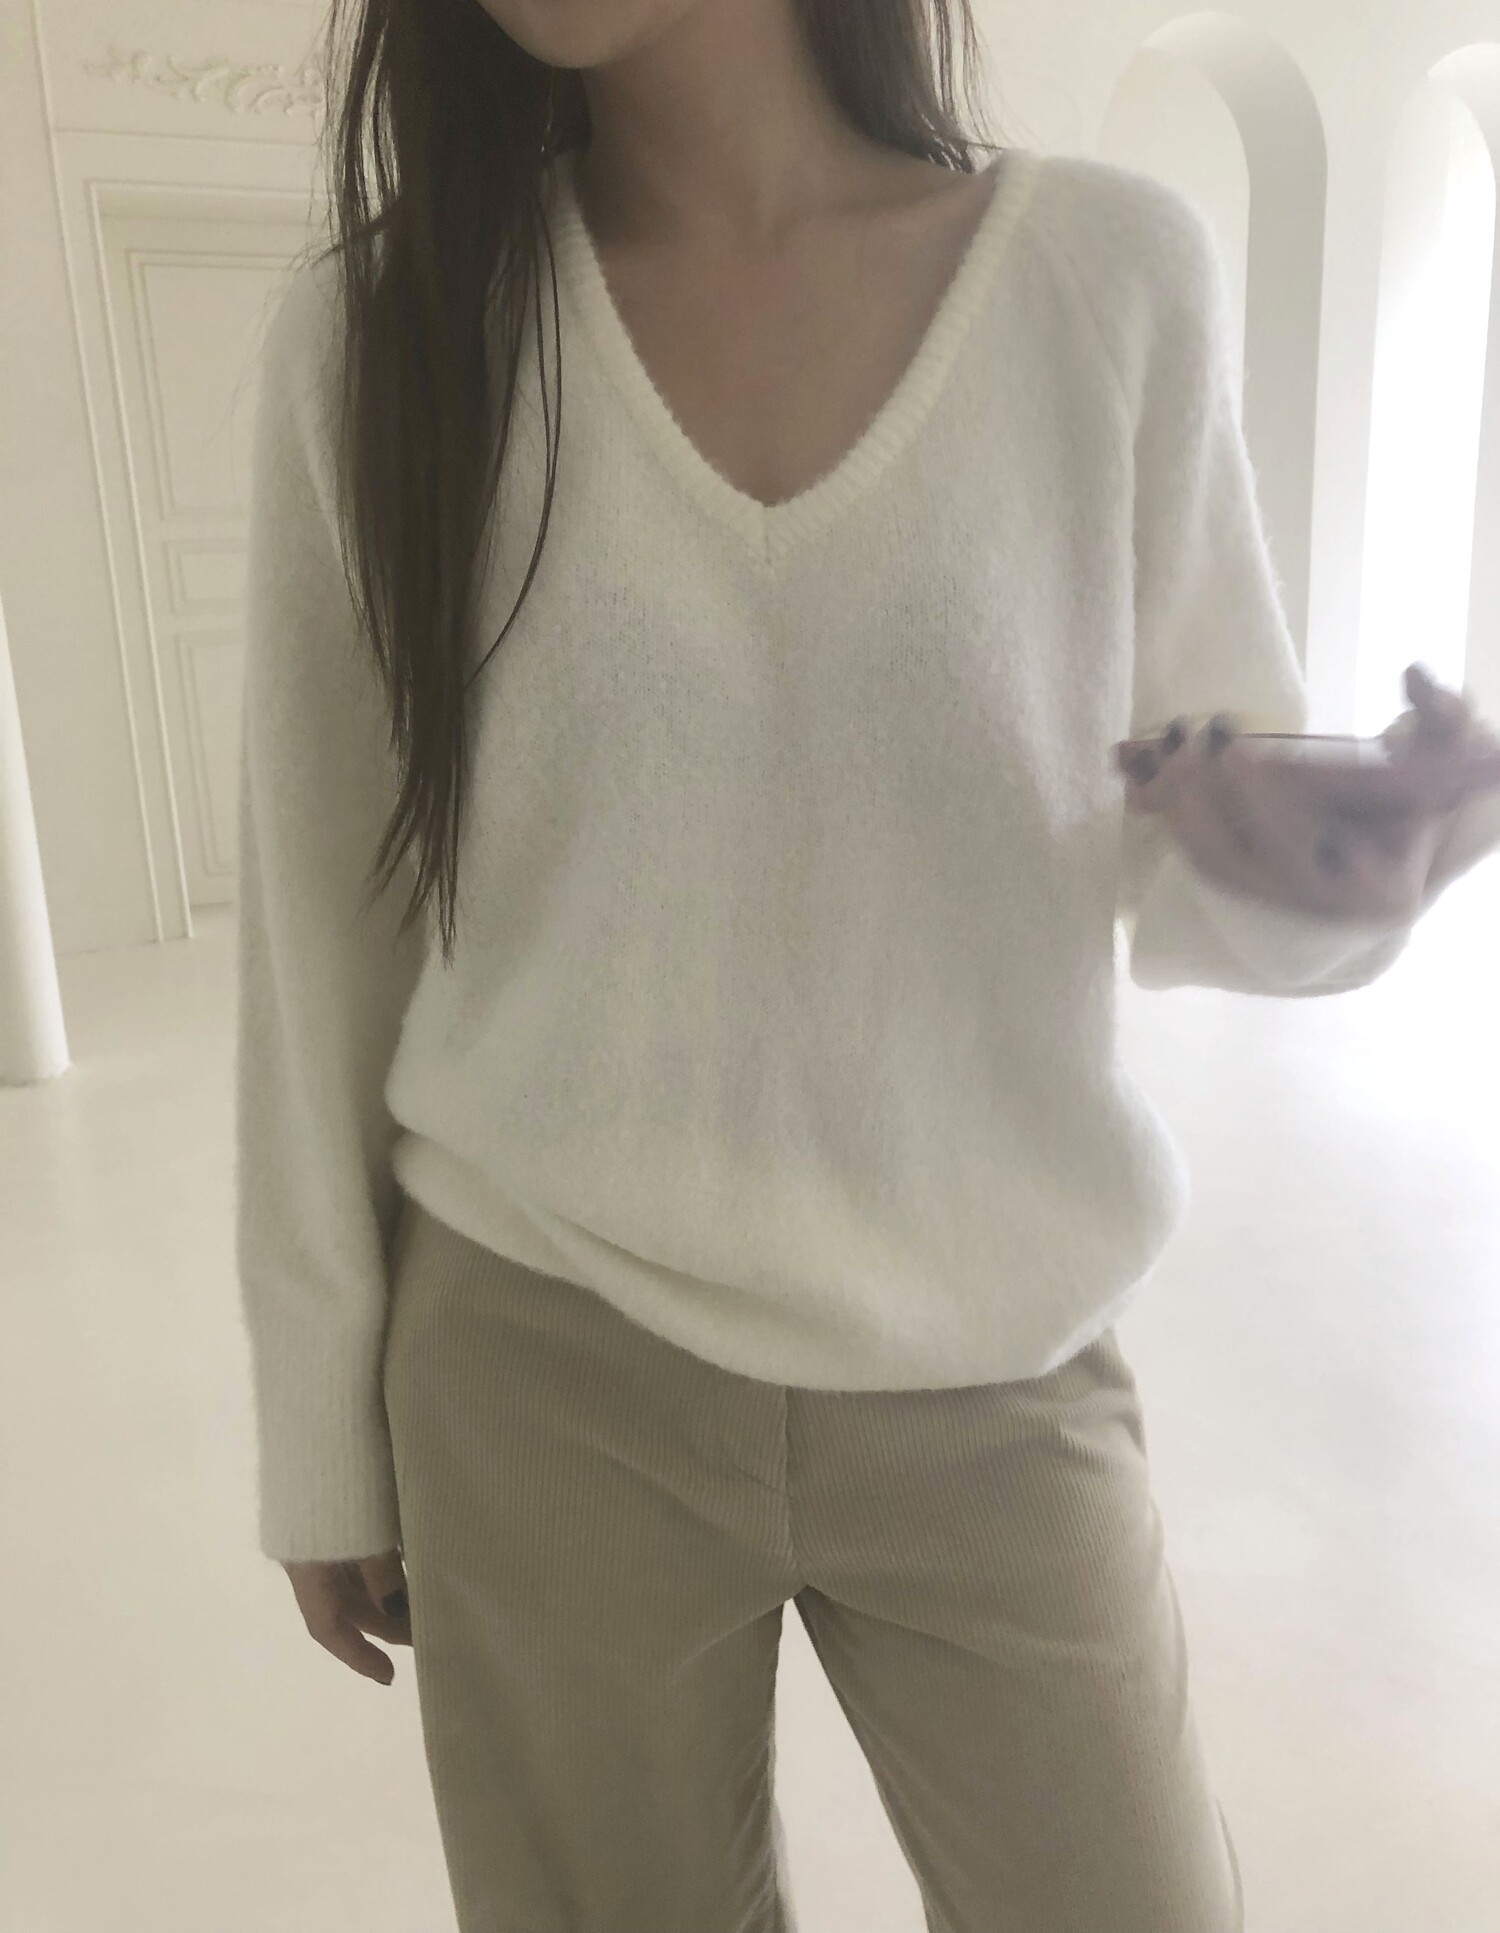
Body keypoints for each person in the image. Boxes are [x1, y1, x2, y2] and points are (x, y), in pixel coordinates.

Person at [233, 1, 1500, 1928]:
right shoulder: (383, 337)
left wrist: (1342, 872)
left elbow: (1193, 842)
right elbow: (322, 916)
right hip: (539, 1359)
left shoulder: (1107, 279)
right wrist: (320, 1425)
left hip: (995, 1351)